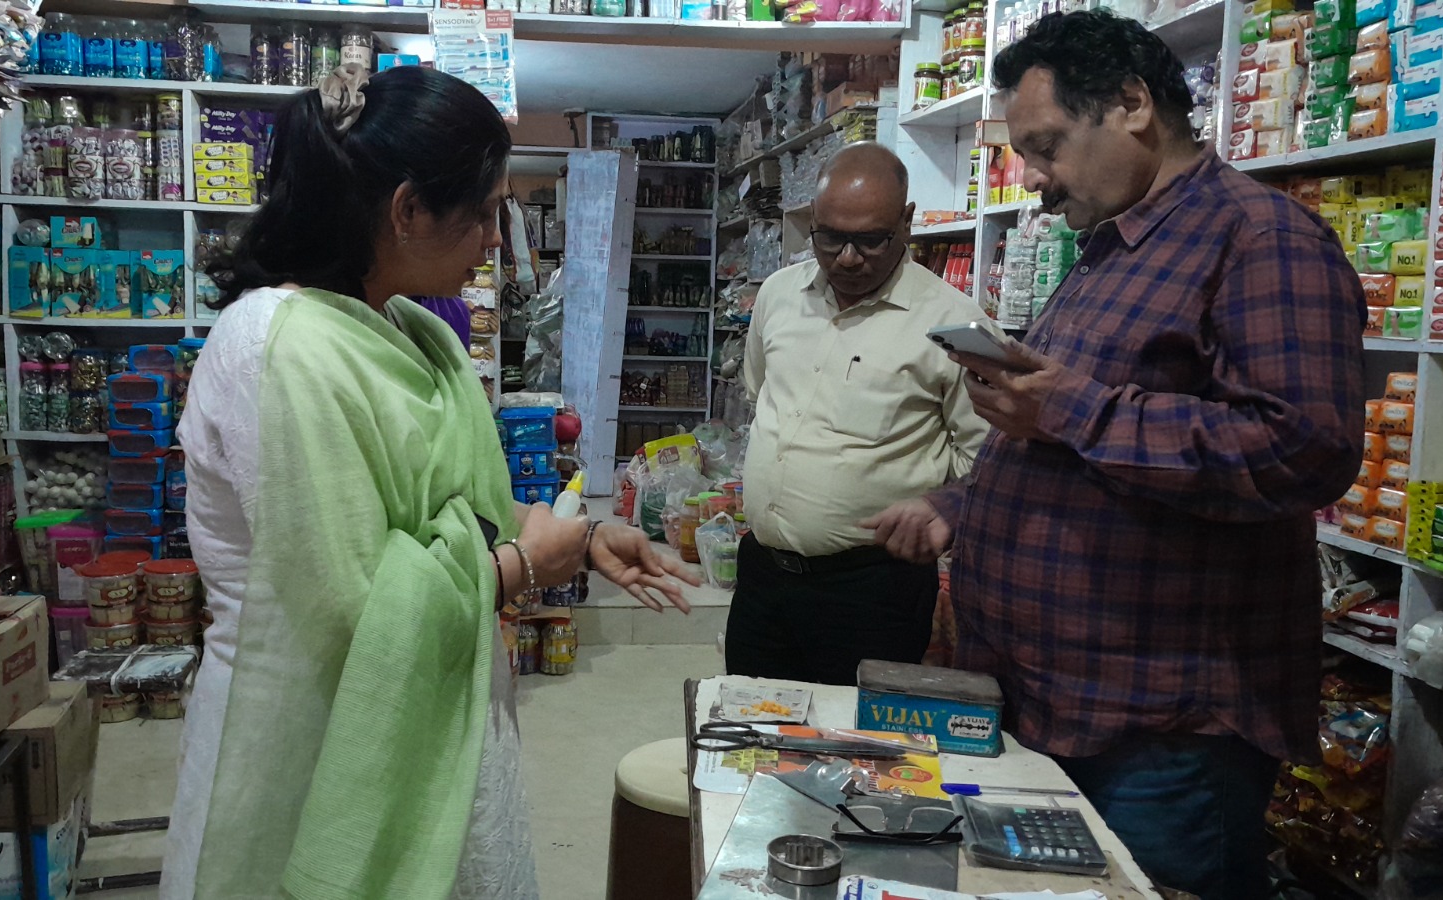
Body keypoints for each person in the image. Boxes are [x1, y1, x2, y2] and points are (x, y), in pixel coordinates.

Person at [163, 64, 697, 900]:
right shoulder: (276, 348)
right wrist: (525, 567)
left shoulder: (413, 330)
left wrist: (584, 538)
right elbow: (350, 607)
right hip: (319, 724)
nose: (495, 240)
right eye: (484, 213)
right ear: (408, 210)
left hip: (434, 700)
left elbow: (457, 506)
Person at [866, 12, 1364, 899]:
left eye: (1046, 146)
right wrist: (961, 506)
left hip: (1163, 733)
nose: (1033, 178)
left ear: (1133, 104)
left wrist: (1071, 407)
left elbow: (1303, 450)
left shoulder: (1262, 239)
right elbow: (1072, 447)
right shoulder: (1113, 247)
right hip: (1051, 701)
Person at [727, 142, 989, 686]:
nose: (847, 257)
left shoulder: (955, 325)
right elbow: (762, 393)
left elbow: (986, 459)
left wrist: (937, 511)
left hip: (874, 590)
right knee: (751, 725)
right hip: (763, 576)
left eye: (871, 240)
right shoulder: (778, 295)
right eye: (829, 238)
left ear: (906, 222)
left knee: (855, 735)